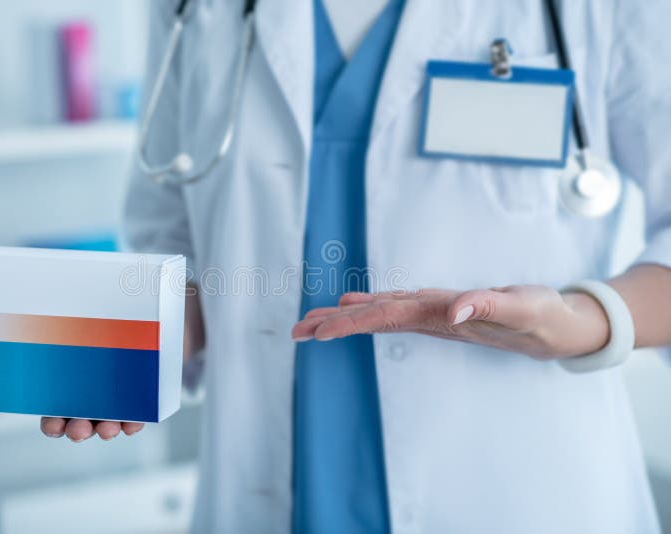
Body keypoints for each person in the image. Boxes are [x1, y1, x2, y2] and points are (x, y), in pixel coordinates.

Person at [42, 1, 671, 532]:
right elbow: (174, 240)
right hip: (269, 486)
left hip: (519, 484)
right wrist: (129, 348)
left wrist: (585, 321)